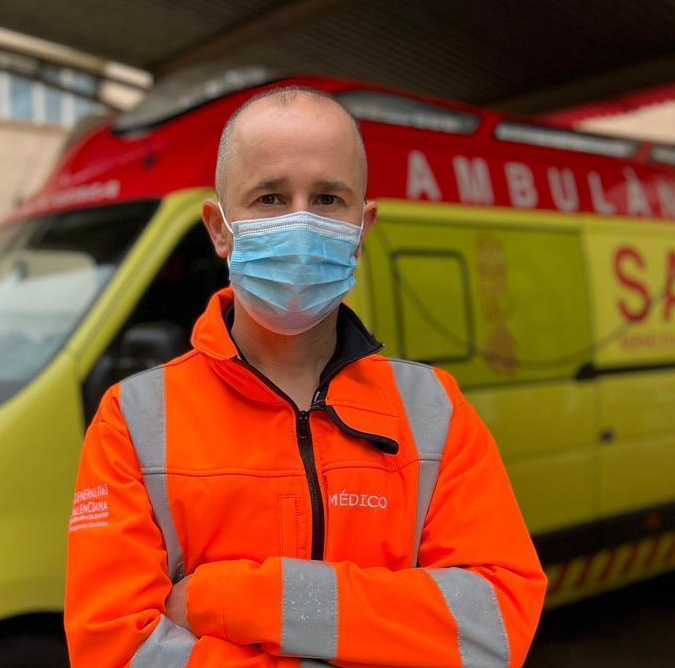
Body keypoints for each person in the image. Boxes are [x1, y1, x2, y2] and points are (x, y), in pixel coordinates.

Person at [64, 85, 546, 667]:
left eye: (327, 199)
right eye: (269, 197)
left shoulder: (433, 410)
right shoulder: (133, 420)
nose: (300, 221)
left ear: (363, 226)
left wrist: (235, 596)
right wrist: (389, 635)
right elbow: (114, 651)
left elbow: (496, 621)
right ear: (219, 228)